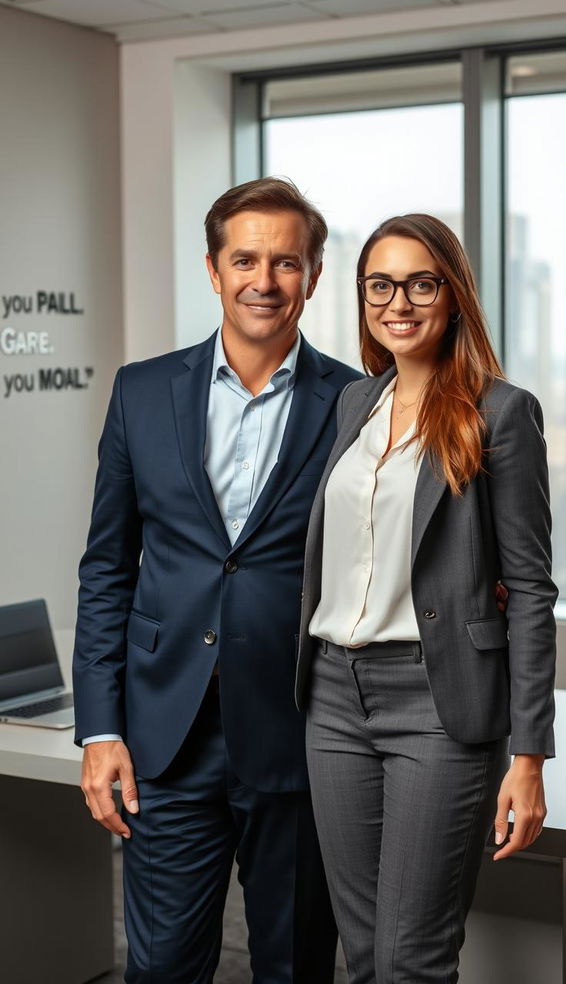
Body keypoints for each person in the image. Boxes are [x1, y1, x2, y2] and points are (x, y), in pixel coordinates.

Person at [72, 177, 362, 983]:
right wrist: (100, 730)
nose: (264, 282)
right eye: (245, 260)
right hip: (166, 738)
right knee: (162, 967)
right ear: (213, 269)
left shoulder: (357, 404)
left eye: (286, 262)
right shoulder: (141, 391)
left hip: (304, 735)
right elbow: (106, 568)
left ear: (313, 272)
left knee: (296, 966)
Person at [295, 213, 557, 984]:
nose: (398, 301)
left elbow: (533, 589)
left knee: (414, 957)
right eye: (380, 283)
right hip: (333, 699)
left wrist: (530, 753)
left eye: (420, 282)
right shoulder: (355, 404)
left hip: (438, 703)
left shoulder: (500, 412)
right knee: (367, 949)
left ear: (453, 294)